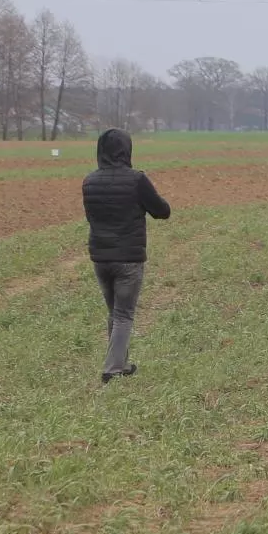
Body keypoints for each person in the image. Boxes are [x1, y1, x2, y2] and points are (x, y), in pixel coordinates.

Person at [80, 127, 171, 384]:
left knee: (114, 312)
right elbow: (162, 211)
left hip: (100, 257)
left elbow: (92, 216)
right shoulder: (136, 180)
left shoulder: (89, 181)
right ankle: (112, 368)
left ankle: (121, 363)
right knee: (123, 315)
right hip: (129, 258)